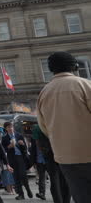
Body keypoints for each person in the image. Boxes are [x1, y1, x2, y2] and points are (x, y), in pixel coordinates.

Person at [36, 51, 91, 201]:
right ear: (74, 66)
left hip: (65, 157)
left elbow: (43, 127)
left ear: (51, 69)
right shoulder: (85, 84)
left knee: (81, 197)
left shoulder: (44, 93)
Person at [30, 124, 70, 203]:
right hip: (63, 154)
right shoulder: (60, 123)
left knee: (55, 181)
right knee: (64, 180)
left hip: (50, 156)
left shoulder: (39, 127)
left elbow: (38, 143)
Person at [3, 122, 32, 200]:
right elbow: (3, 150)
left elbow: (25, 148)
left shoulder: (19, 135)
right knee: (16, 177)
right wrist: (9, 146)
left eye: (11, 127)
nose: (11, 128)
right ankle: (20, 194)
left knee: (23, 175)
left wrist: (22, 144)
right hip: (11, 158)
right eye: (9, 127)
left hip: (20, 157)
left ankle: (28, 189)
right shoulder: (4, 138)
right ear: (6, 129)